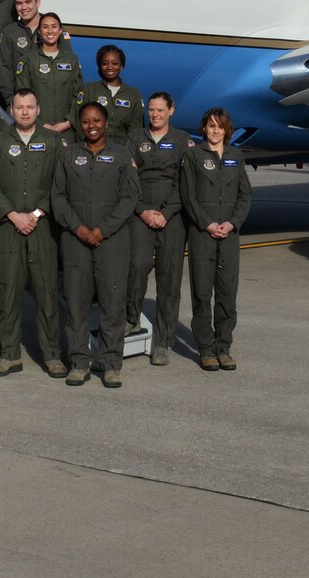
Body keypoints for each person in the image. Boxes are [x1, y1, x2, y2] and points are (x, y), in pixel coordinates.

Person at [50, 102, 140, 388]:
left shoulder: (121, 156)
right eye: (86, 121)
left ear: (105, 122)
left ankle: (111, 363)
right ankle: (78, 363)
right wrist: (77, 227)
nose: (91, 125)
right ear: (79, 124)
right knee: (76, 303)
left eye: (97, 120)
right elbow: (58, 197)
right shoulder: (68, 156)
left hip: (112, 241)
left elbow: (130, 198)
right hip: (75, 240)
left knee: (113, 304)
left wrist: (103, 229)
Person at [0, 88, 66, 377]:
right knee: (9, 292)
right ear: (11, 109)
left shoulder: (53, 141)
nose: (25, 112)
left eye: (30, 106)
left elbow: (59, 184)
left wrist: (37, 213)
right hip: (9, 228)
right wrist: (12, 215)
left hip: (43, 227)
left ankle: (53, 355)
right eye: (20, 107)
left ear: (38, 109)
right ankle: (9, 355)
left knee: (47, 294)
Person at [181, 106, 251, 371]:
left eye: (219, 126)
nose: (214, 130)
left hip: (229, 235)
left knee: (227, 294)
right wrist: (207, 223)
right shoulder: (193, 155)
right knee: (201, 293)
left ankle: (224, 347)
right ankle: (206, 349)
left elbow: (245, 195)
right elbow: (189, 196)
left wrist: (233, 223)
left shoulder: (236, 155)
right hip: (203, 233)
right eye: (210, 125)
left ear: (226, 130)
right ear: (203, 129)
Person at [126, 90, 192, 366]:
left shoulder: (181, 141)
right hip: (141, 212)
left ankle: (163, 341)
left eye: (160, 110)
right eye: (151, 110)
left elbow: (184, 183)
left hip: (172, 217)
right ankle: (130, 320)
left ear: (171, 111)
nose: (154, 115)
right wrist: (143, 210)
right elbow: (129, 177)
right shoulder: (135, 138)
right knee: (137, 266)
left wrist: (165, 213)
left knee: (169, 279)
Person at [15, 13, 82, 135]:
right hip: (37, 128)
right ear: (39, 31)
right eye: (45, 27)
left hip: (67, 131)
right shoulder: (29, 60)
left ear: (60, 30)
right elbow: (22, 96)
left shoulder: (72, 60)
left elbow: (79, 95)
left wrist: (68, 122)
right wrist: (40, 123)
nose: (50, 31)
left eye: (54, 26)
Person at [89, 45, 143, 140]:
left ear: (121, 66)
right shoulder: (88, 89)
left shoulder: (133, 94)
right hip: (93, 150)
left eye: (115, 63)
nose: (110, 67)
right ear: (100, 66)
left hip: (123, 152)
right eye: (105, 63)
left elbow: (136, 130)